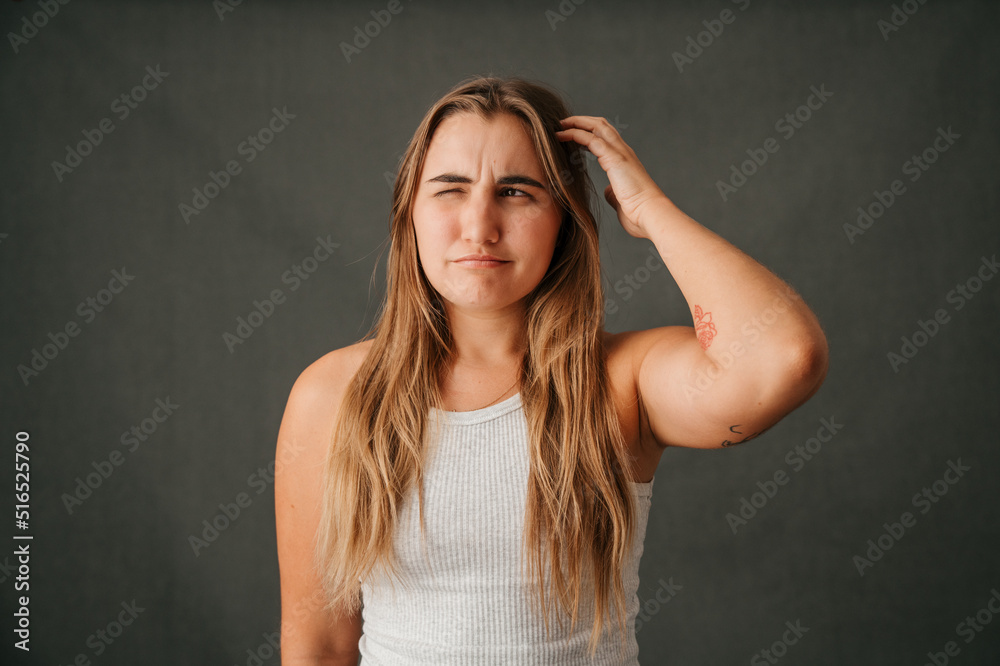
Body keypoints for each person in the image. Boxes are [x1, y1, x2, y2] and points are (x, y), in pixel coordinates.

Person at [275, 76, 829, 665]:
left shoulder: (622, 382)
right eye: (450, 189)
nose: (480, 225)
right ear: (409, 212)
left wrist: (650, 211)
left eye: (516, 192)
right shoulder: (334, 395)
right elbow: (318, 645)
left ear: (564, 219)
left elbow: (785, 359)